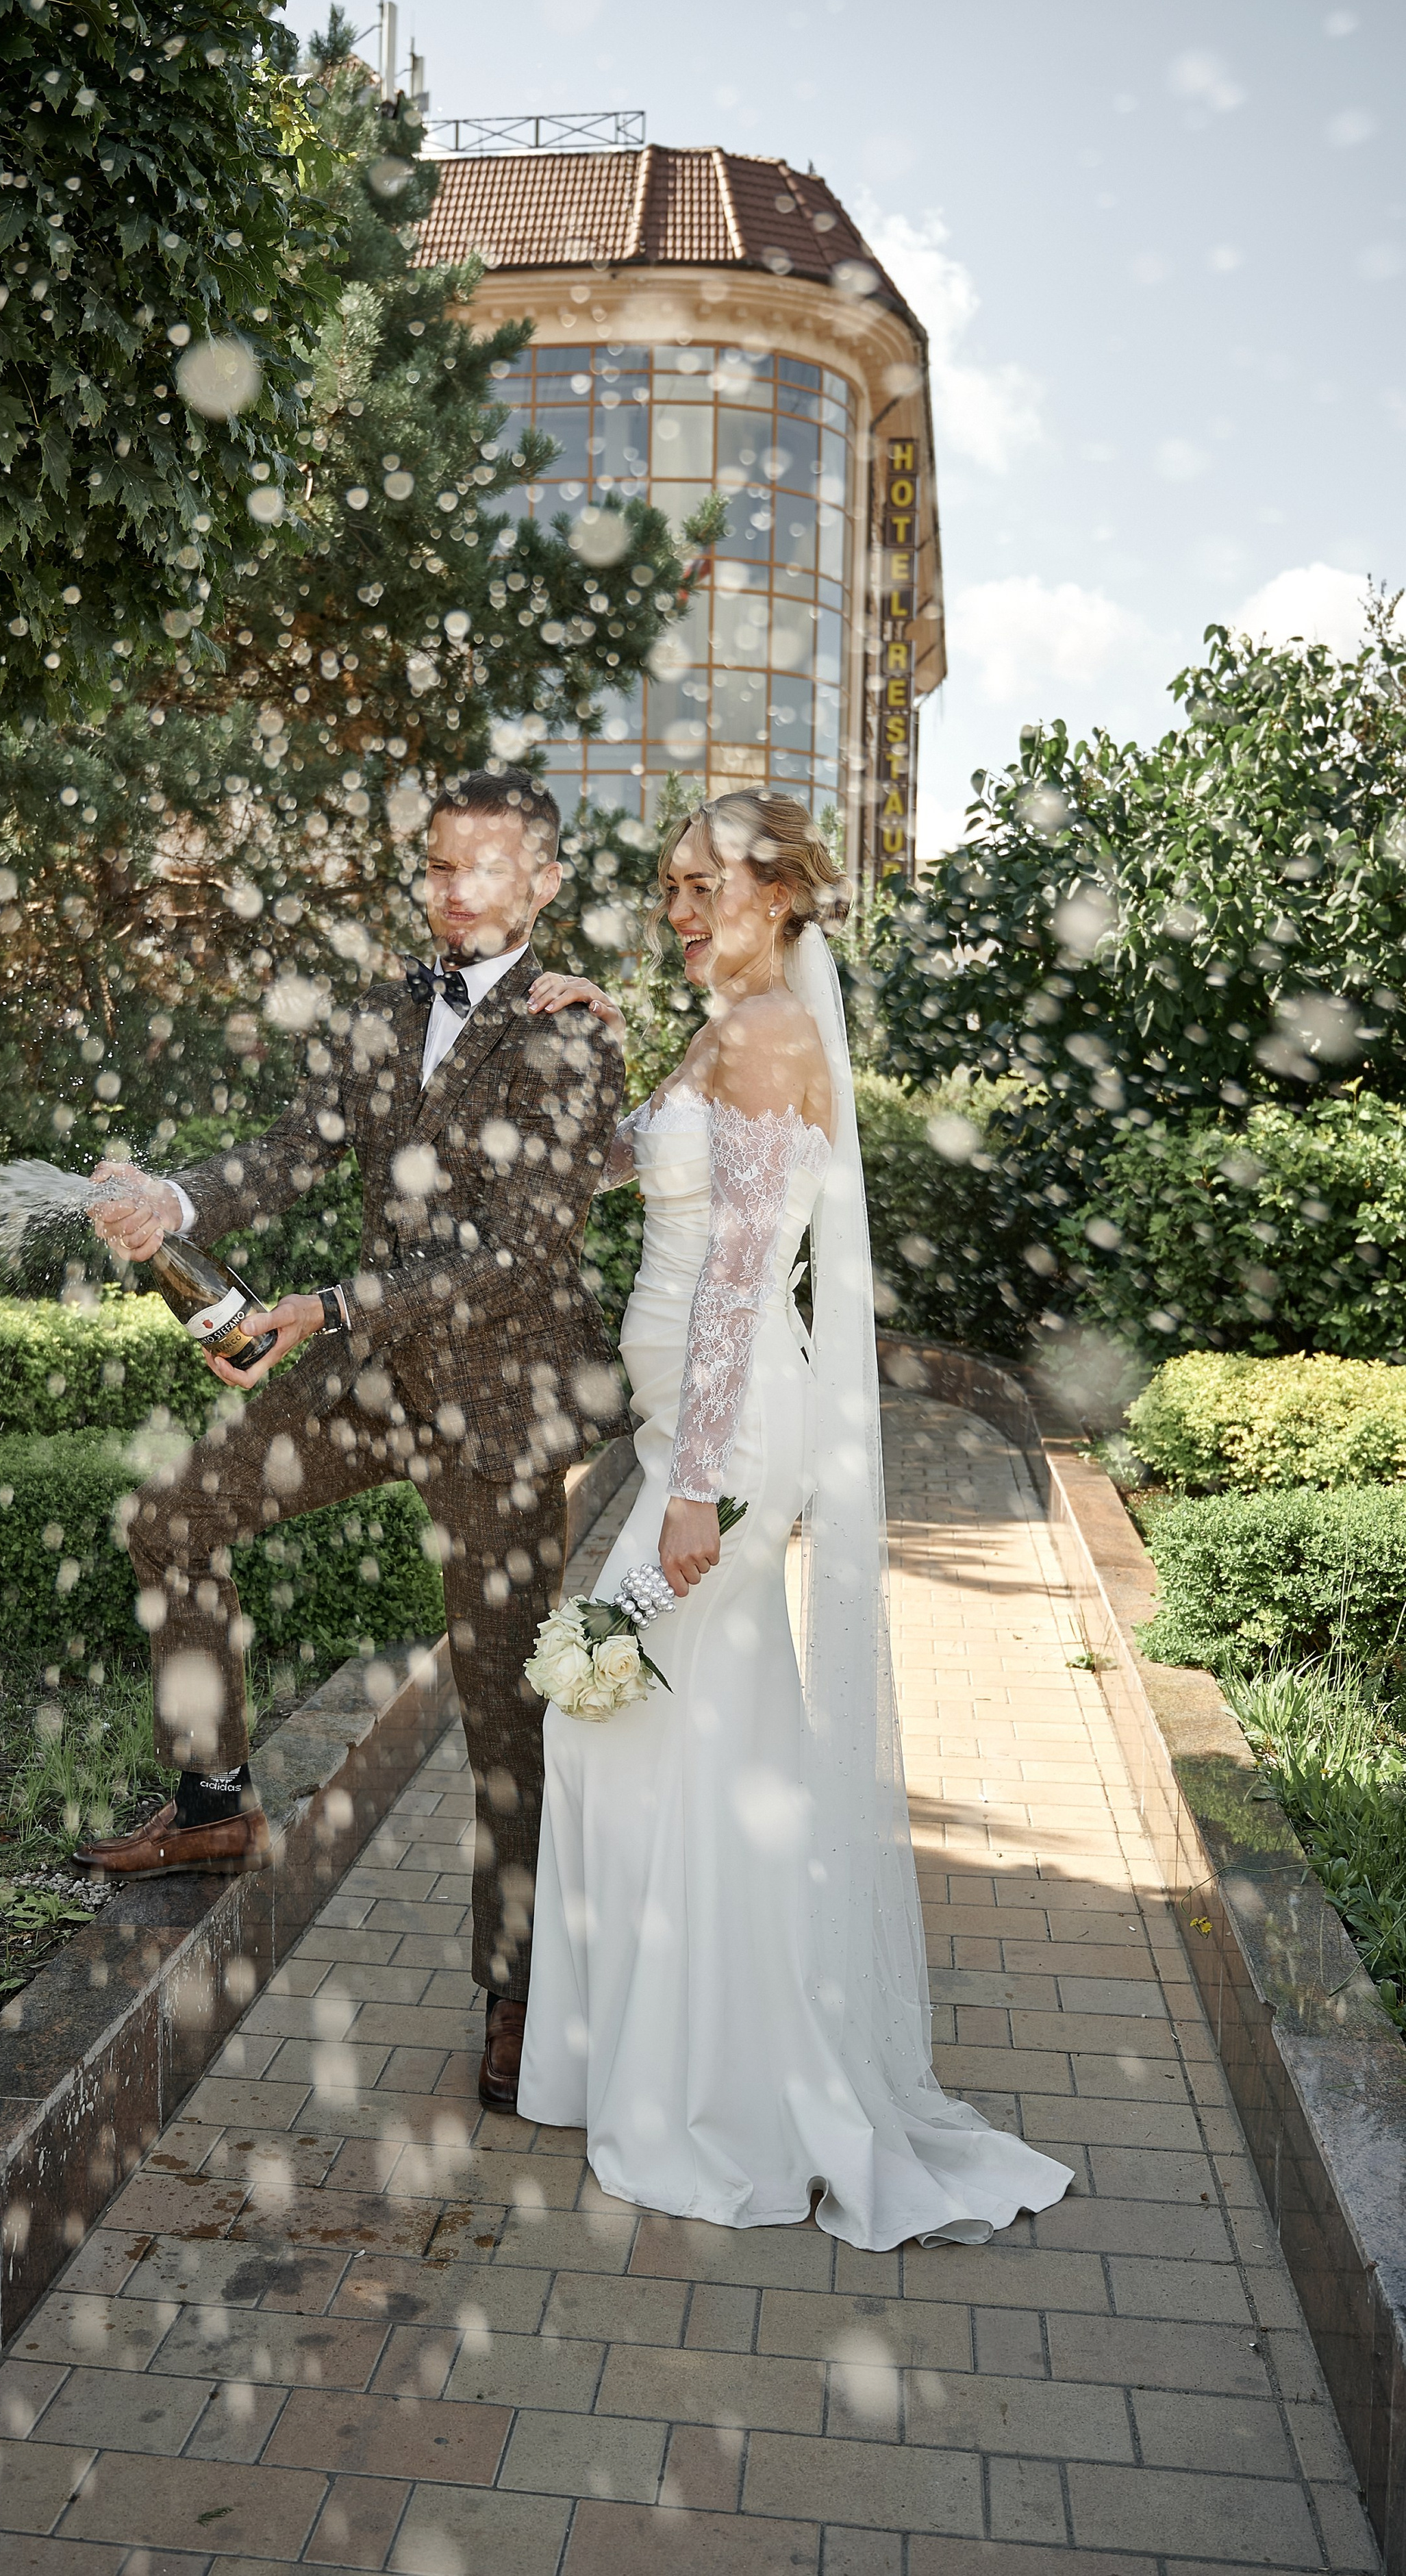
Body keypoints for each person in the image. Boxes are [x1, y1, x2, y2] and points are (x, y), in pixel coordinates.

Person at [517, 791, 1072, 2243]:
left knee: (627, 1731)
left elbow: (737, 1273)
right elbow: (630, 1168)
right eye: (669, 887)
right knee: (688, 1738)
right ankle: (700, 2064)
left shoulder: (768, 1038)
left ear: (774, 894)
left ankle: (720, 2096)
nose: (676, 911)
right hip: (688, 1433)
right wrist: (593, 1040)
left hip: (727, 1435)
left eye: (700, 886)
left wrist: (697, 1483)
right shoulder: (728, 1026)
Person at [80, 768, 625, 2114]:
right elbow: (289, 1149)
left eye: (482, 865)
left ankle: (519, 1989)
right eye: (437, 863)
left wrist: (323, 1306)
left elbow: (521, 1251)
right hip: (373, 1381)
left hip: (504, 1403)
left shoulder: (571, 1036)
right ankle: (214, 1800)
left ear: (544, 881)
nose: (452, 887)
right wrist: (172, 1199)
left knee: (502, 1701)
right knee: (170, 1517)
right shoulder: (386, 1007)